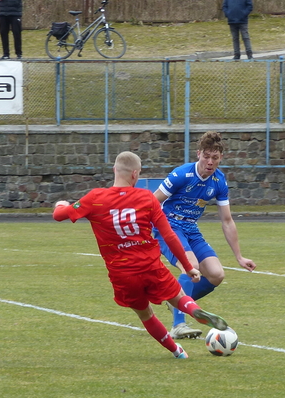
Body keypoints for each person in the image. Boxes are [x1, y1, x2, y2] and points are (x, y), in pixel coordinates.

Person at [53, 151, 229, 359]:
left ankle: (177, 351)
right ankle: (193, 310)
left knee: (145, 314)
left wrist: (61, 205)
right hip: (150, 266)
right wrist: (188, 266)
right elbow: (169, 236)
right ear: (135, 174)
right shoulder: (147, 197)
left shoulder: (95, 198)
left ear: (114, 170)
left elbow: (59, 216)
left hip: (122, 273)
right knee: (178, 297)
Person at [154, 131, 257, 339]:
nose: (210, 162)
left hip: (190, 228)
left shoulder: (219, 181)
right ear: (198, 154)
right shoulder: (182, 174)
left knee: (216, 274)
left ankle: (178, 300)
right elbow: (152, 202)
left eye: (215, 158)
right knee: (190, 265)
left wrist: (239, 256)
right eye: (206, 156)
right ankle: (178, 325)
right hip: (168, 227)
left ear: (221, 158)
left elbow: (227, 220)